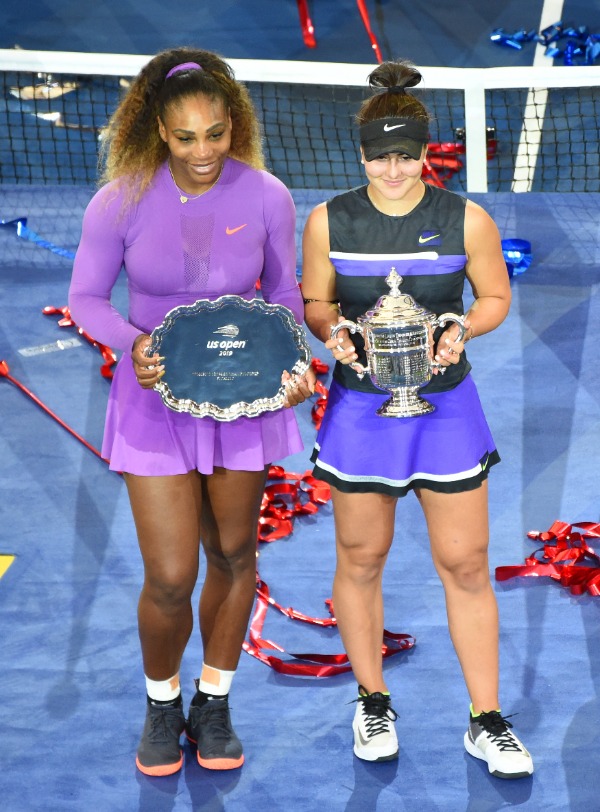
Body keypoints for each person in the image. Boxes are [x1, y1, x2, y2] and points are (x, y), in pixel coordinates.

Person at [68, 46, 315, 777]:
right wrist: (131, 344)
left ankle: (215, 699)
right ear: (159, 134)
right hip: (153, 403)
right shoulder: (117, 200)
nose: (204, 151)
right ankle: (161, 701)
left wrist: (293, 359)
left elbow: (286, 294)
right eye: (186, 137)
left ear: (232, 126)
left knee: (236, 553)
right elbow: (86, 298)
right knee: (171, 575)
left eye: (217, 133)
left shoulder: (267, 194)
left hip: (243, 398)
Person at [301, 59, 533, 779]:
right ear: (362, 152)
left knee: (464, 563)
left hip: (448, 408)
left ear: (428, 151)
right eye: (381, 156)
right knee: (361, 559)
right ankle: (373, 700)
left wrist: (464, 327)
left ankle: (485, 720)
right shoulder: (328, 221)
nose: (394, 170)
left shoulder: (466, 218)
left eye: (407, 155)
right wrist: (331, 332)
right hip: (361, 409)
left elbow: (494, 295)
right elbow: (316, 301)